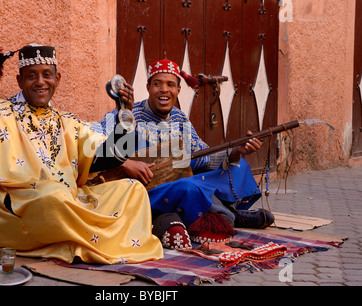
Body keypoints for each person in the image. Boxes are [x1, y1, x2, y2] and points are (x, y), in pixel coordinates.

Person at [0, 44, 163, 264]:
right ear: (19, 80)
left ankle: (82, 240)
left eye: (47, 75)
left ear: (58, 79)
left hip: (68, 201)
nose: (40, 82)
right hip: (17, 212)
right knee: (53, 196)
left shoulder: (67, 121)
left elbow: (108, 156)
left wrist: (125, 114)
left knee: (132, 190)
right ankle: (89, 241)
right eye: (31, 76)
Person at [93, 59, 274, 250]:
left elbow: (202, 158)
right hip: (144, 192)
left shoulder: (179, 118)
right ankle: (230, 216)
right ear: (147, 87)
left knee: (237, 165)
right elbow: (91, 141)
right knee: (190, 187)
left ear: (178, 90)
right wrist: (125, 163)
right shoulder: (128, 114)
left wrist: (236, 152)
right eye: (157, 84)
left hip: (178, 182)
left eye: (171, 84)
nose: (164, 90)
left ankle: (226, 213)